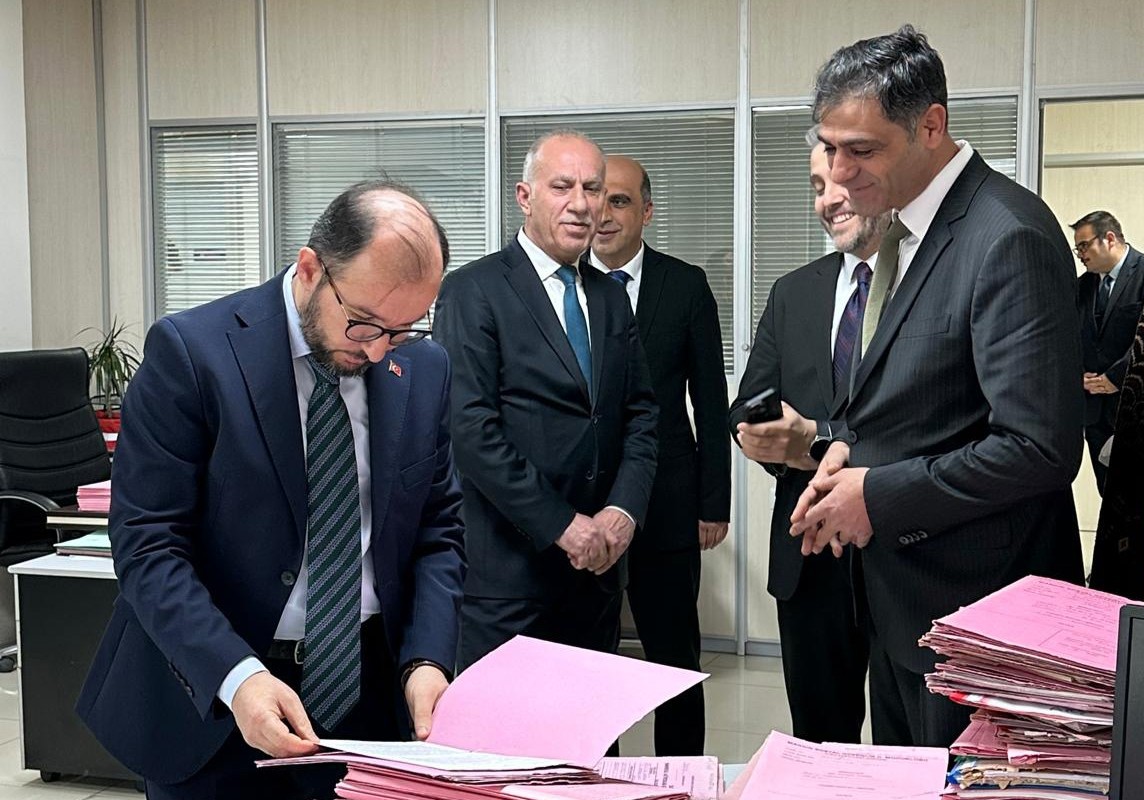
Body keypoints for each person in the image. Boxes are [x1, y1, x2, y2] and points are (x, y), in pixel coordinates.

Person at [77, 181, 467, 800]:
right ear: (310, 268)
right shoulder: (192, 352)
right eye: (363, 323)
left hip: (373, 699)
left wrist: (427, 660)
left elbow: (438, 530)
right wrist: (236, 677)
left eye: (402, 330)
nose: (377, 351)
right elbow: (149, 545)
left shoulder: (424, 367)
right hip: (219, 699)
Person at [791, 26, 1085, 748]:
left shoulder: (1005, 234)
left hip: (978, 620)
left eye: (863, 150)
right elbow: (922, 397)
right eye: (830, 147)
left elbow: (1040, 449)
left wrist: (877, 495)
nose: (840, 173)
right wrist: (845, 449)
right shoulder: (904, 230)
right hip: (902, 607)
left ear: (930, 126)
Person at [434, 131, 658, 671]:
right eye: (562, 186)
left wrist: (623, 511)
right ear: (525, 196)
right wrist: (562, 525)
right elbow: (470, 430)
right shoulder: (473, 291)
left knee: (591, 723)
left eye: (592, 189)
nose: (581, 204)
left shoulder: (610, 297)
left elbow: (641, 415)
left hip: (597, 573)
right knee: (503, 726)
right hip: (509, 580)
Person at [730, 139, 885, 743]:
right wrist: (763, 437)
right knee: (819, 741)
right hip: (809, 550)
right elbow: (747, 402)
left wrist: (818, 440)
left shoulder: (926, 281)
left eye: (842, 182)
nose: (828, 200)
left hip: (902, 545)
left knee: (912, 748)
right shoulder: (793, 292)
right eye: (818, 187)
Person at [589, 155, 729, 756]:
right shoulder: (564, 287)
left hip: (668, 504)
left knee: (674, 658)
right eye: (596, 198)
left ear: (646, 211)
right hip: (586, 508)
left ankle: (682, 778)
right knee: (591, 661)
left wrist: (713, 502)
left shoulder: (685, 285)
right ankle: (599, 781)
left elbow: (711, 401)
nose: (603, 213)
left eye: (619, 200)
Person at [1071, 210, 1144, 493]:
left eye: (1084, 246)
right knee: (1108, 495)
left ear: (1109, 238)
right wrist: (1077, 375)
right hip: (1095, 415)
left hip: (1137, 407)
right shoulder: (1082, 286)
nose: (1080, 255)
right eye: (1077, 248)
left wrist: (1116, 377)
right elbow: (1071, 340)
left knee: (1142, 497)